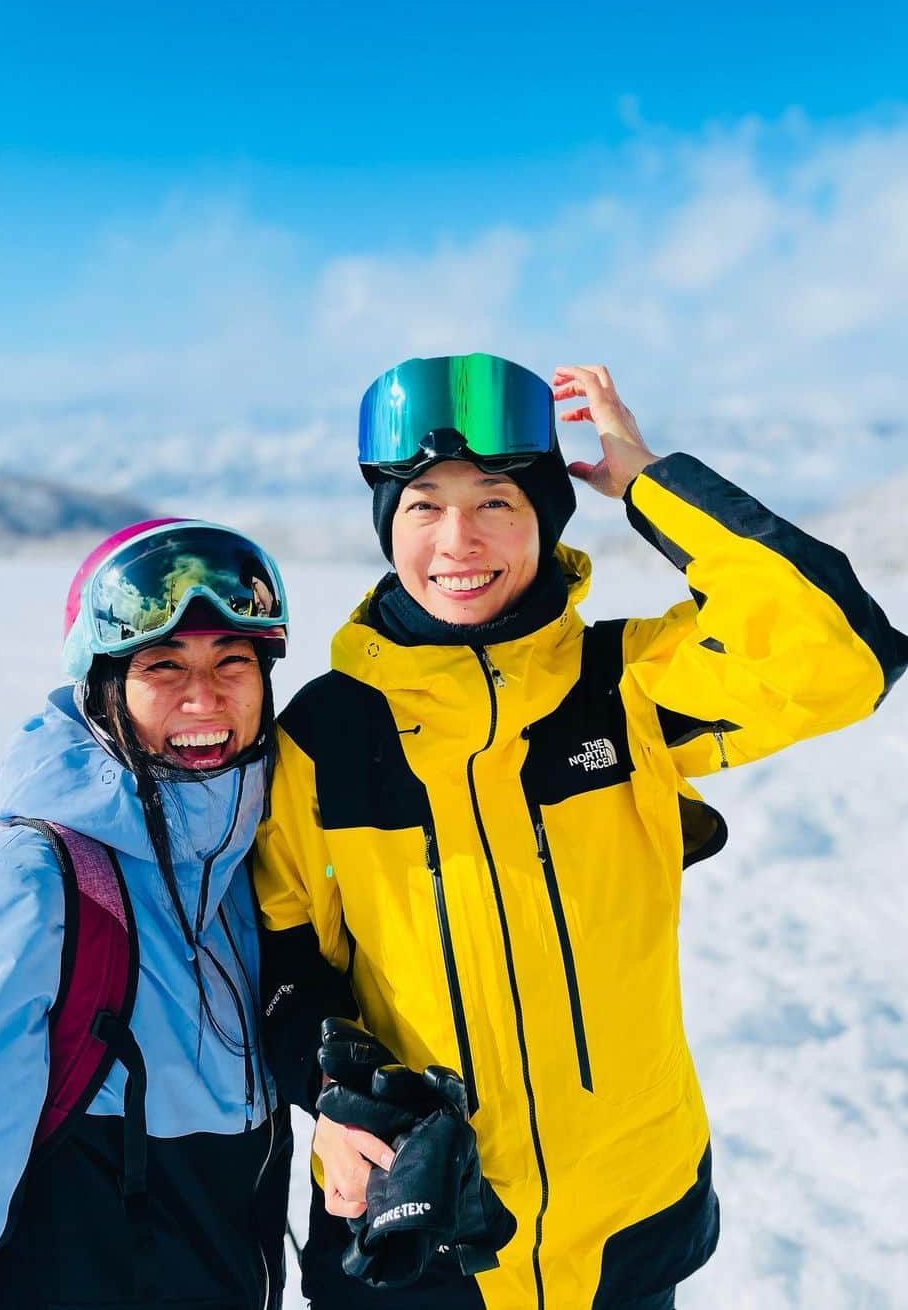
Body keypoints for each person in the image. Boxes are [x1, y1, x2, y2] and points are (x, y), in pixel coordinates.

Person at [252, 356, 908, 1310]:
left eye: (497, 503)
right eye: (424, 507)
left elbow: (842, 658)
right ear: (388, 526)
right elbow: (279, 960)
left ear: (547, 518)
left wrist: (650, 482)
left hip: (625, 1226)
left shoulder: (625, 686)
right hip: (424, 1230)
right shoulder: (325, 736)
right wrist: (336, 1095)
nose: (458, 540)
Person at [0, 518, 294, 1310]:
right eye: (163, 665)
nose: (205, 697)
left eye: (233, 661)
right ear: (102, 686)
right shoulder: (36, 884)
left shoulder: (242, 873)